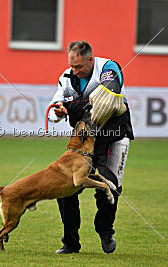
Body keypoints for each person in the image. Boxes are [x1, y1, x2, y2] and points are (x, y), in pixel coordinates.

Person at [48, 41, 134, 254]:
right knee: (65, 188)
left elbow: (110, 91)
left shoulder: (108, 68)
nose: (75, 71)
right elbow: (52, 110)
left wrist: (76, 107)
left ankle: (105, 231)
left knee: (109, 186)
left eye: (79, 67)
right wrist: (58, 112)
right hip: (83, 141)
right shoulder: (66, 77)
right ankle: (70, 243)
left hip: (112, 138)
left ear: (90, 60)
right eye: (72, 66)